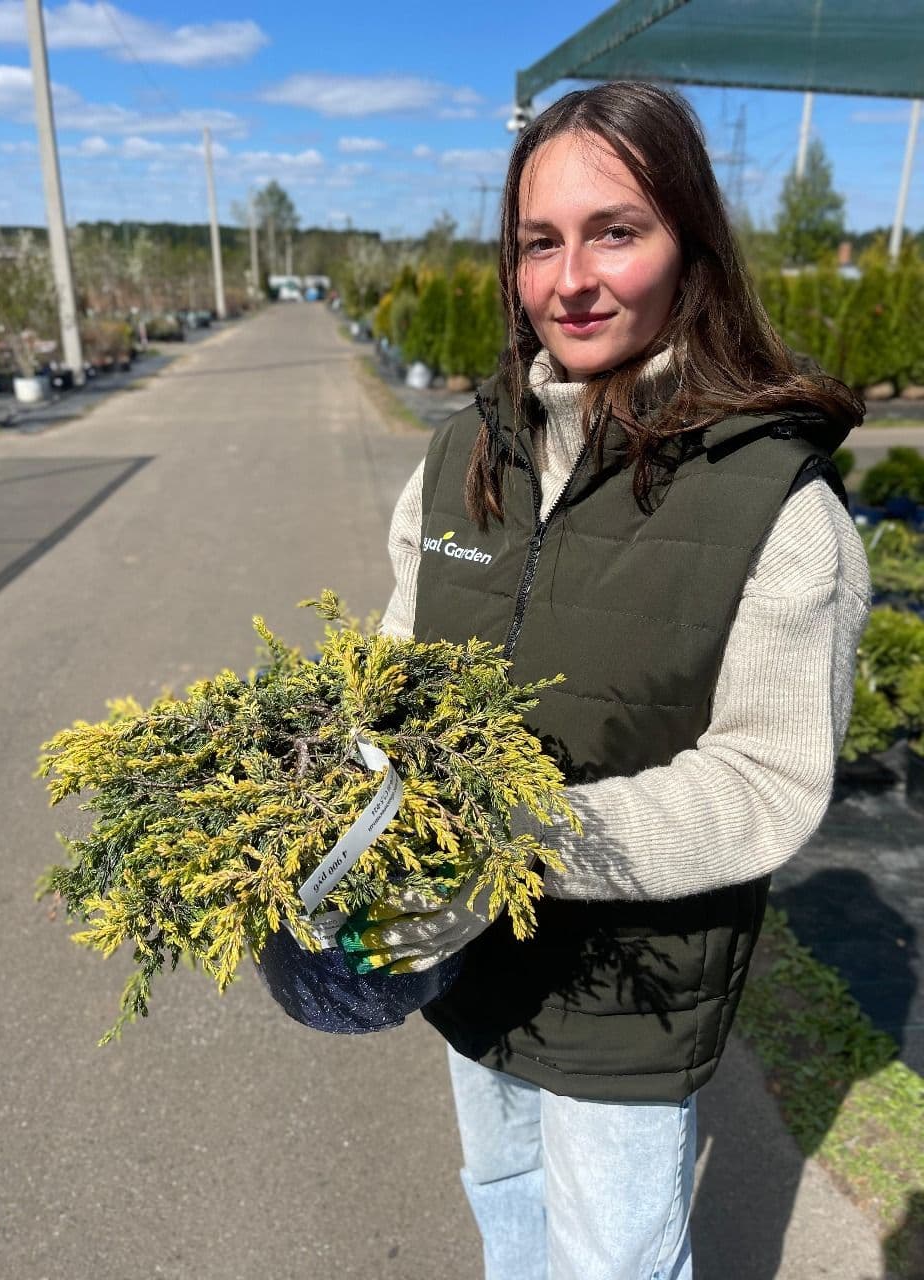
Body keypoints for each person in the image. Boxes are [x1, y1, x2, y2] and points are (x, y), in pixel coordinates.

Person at [339, 82, 871, 1279]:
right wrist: (321, 784)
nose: (570, 277)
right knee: (506, 1205)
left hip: (631, 992)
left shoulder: (776, 508)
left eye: (615, 231)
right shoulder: (462, 455)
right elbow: (393, 660)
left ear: (690, 245)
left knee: (611, 1260)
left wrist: (517, 842)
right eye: (540, 241)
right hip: (469, 964)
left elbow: (764, 780)